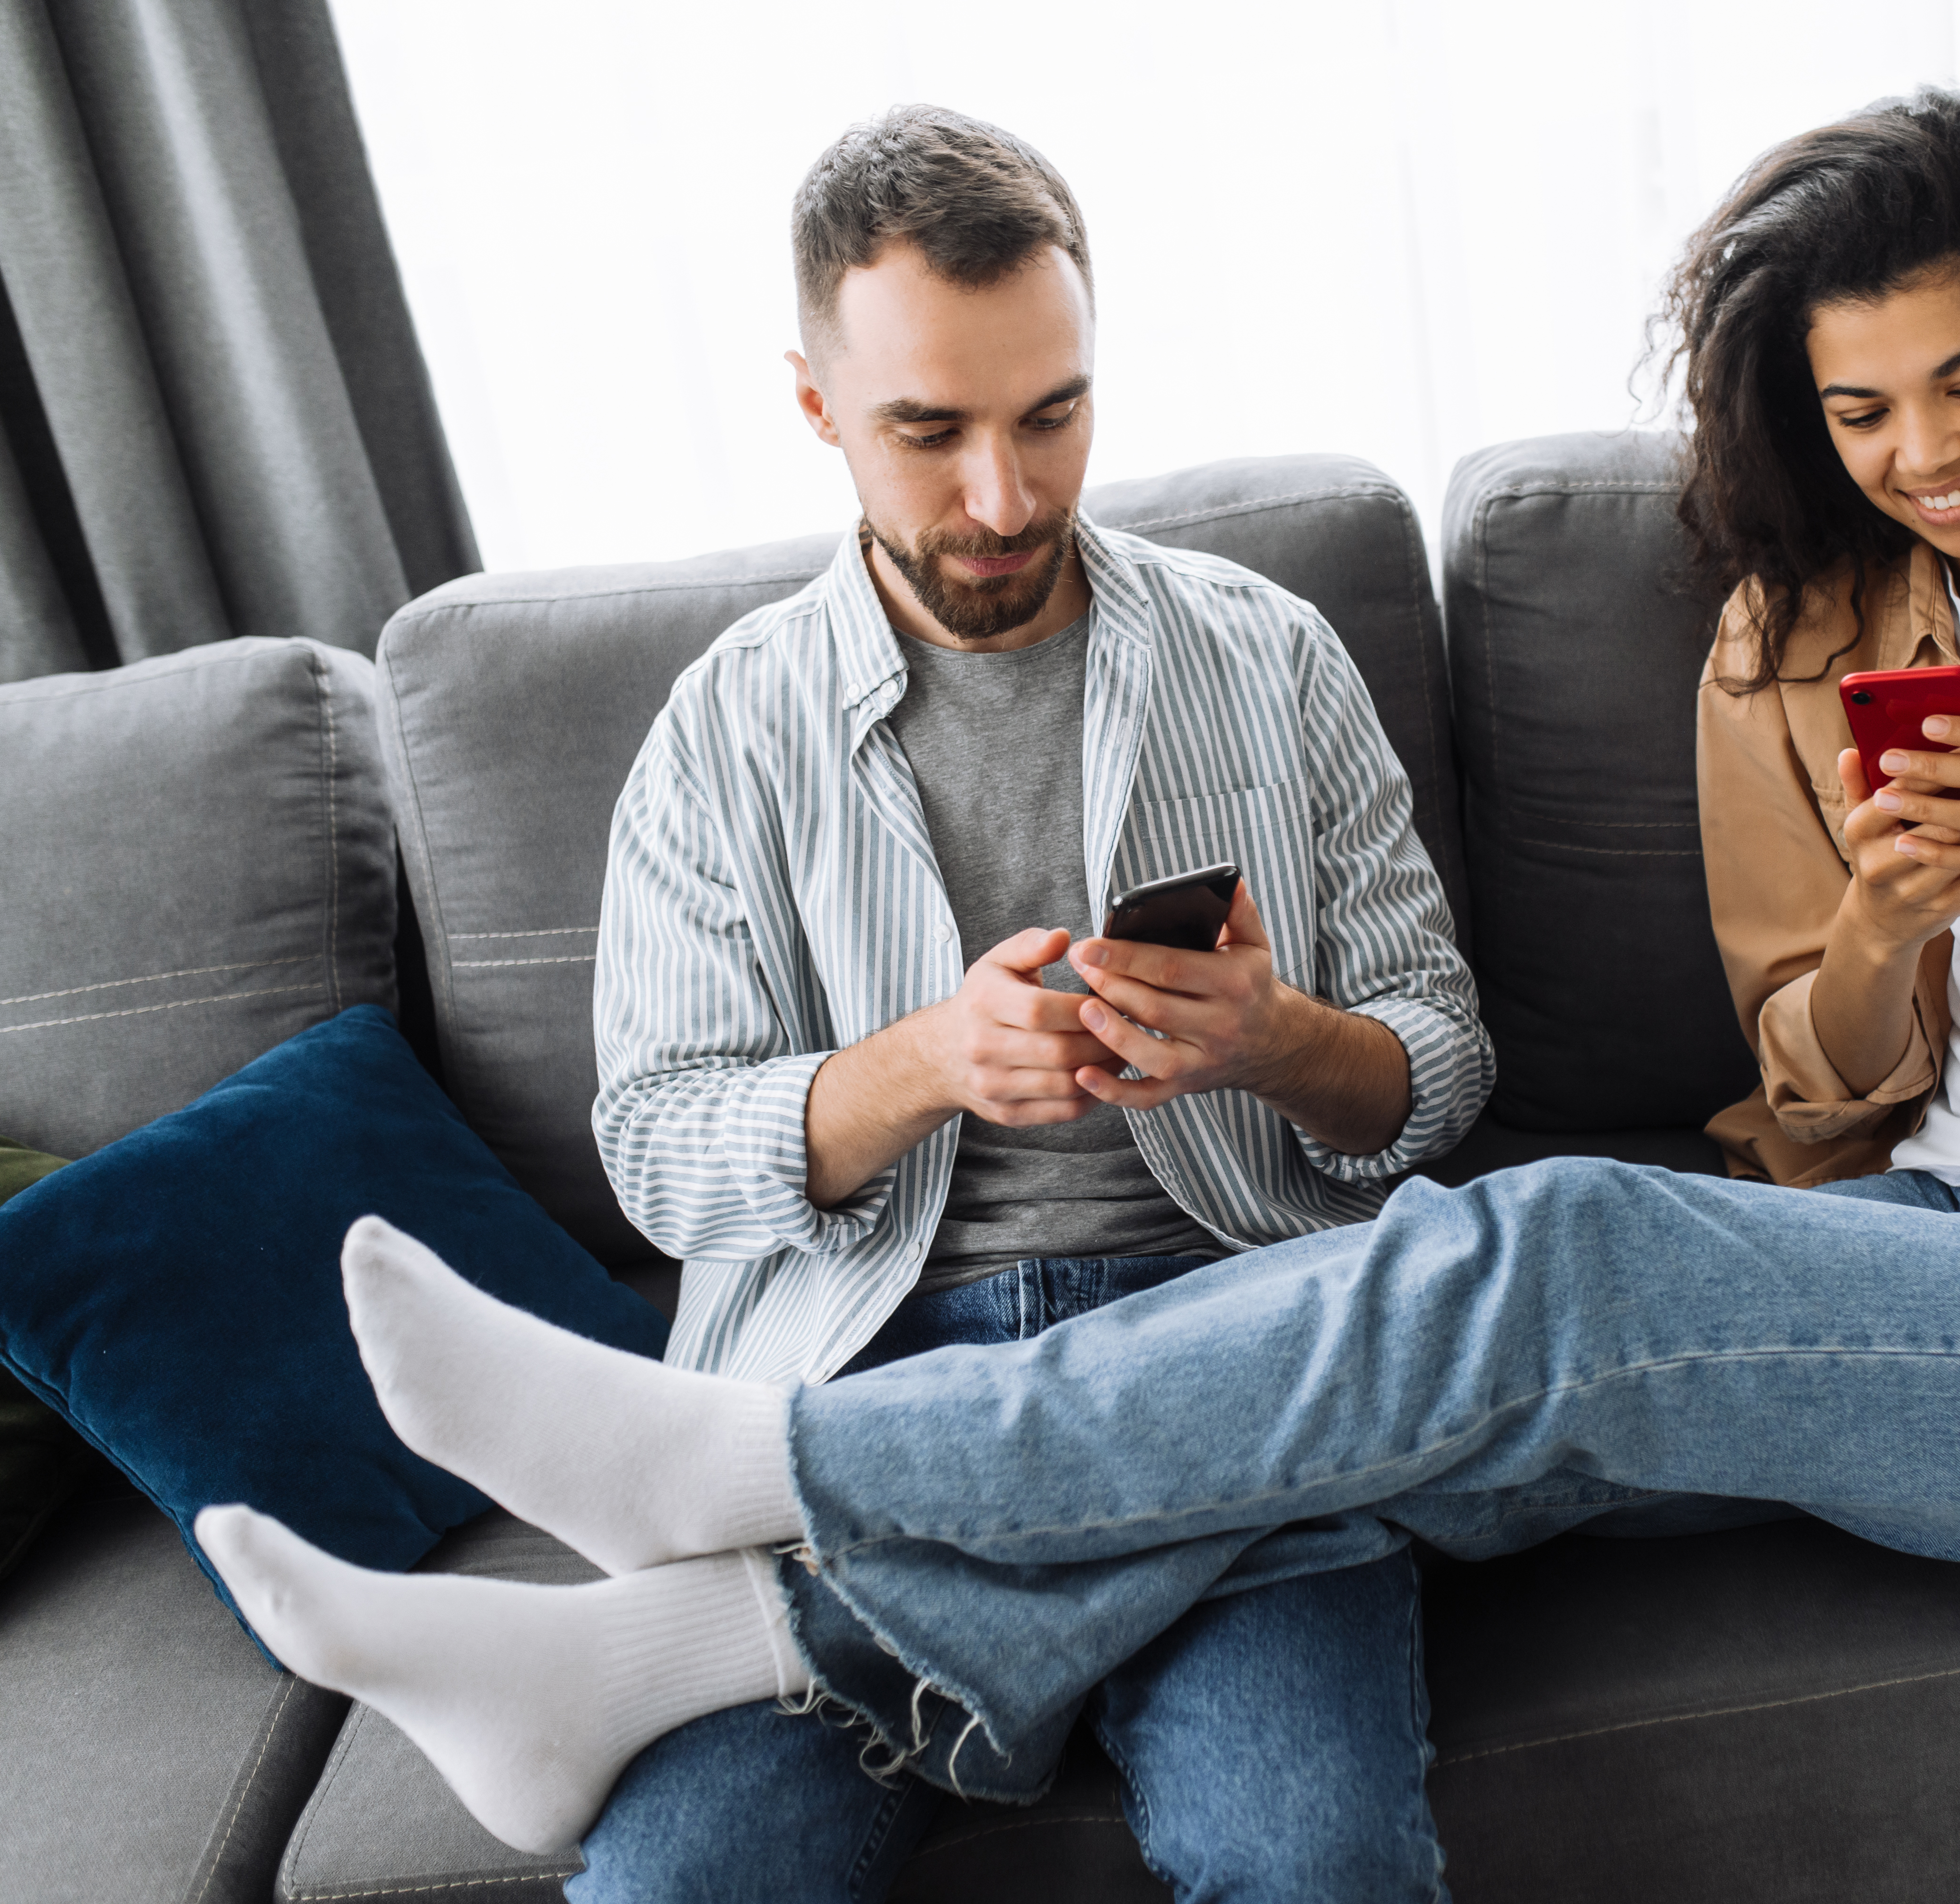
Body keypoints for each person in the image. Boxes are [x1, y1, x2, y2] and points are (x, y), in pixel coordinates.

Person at [194, 88, 1960, 1869]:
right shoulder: (1800, 645)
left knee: (1545, 1243)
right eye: (1856, 410)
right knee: (1436, 1371)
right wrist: (1899, 928)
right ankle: (707, 1609)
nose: (1923, 454)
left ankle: (750, 1480)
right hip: (1928, 1238)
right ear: (825, 412)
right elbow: (1820, 1082)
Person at [554, 105, 1488, 1901]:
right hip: (865, 1358)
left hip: (1233, 1340)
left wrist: (1276, 1044)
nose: (1004, 498)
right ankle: (985, 1569)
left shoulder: (1268, 655)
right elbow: (659, 1158)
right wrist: (915, 1068)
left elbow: (1437, 1072)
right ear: (819, 406)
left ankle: (930, 1612)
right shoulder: (722, 732)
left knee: (1324, 1867)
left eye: (1051, 414)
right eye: (931, 432)